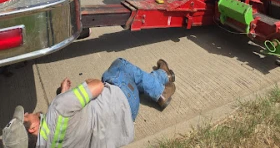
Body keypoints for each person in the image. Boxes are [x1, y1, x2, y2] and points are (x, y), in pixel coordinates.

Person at [2, 58, 176, 148]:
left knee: (134, 80)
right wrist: (71, 93)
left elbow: (61, 128)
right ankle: (161, 88)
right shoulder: (59, 108)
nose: (26, 114)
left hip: (124, 125)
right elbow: (97, 86)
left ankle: (163, 76)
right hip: (124, 102)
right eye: (24, 117)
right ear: (32, 129)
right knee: (117, 68)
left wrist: (64, 94)